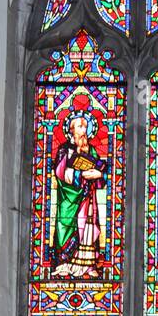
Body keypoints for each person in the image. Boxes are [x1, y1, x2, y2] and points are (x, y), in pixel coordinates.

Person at [50, 108, 106, 279]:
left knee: (88, 227)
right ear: (71, 130)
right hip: (70, 197)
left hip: (88, 197)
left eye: (86, 126)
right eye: (80, 126)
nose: (84, 130)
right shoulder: (64, 149)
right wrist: (79, 175)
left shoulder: (92, 150)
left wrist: (99, 175)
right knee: (67, 226)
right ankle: (64, 265)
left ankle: (87, 266)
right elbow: (59, 172)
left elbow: (100, 169)